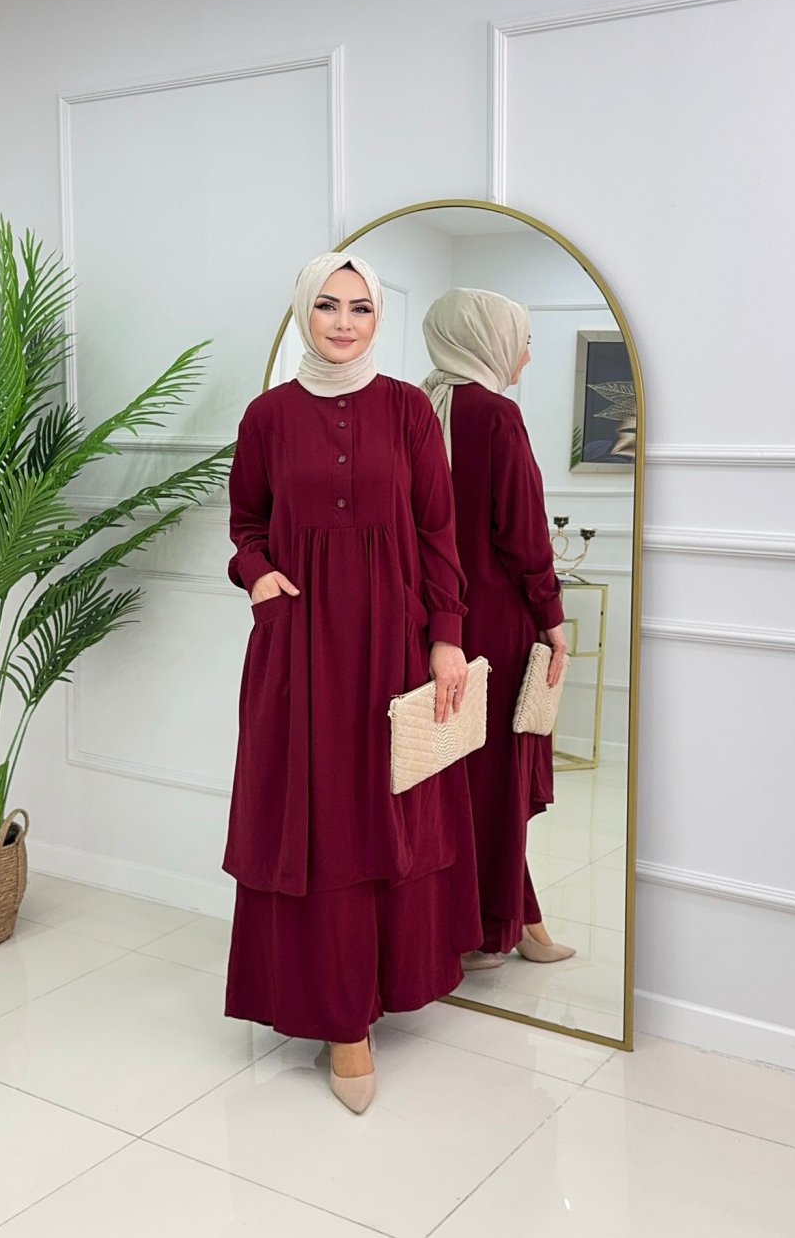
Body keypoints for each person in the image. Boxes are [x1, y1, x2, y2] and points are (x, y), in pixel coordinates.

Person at [224, 253, 481, 1114]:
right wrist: (258, 574)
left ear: (379, 318)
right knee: (319, 818)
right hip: (300, 649)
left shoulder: (409, 411)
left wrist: (447, 637)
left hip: (392, 646)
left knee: (383, 814)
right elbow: (246, 522)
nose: (343, 322)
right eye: (328, 306)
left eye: (360, 307)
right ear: (306, 312)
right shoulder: (267, 416)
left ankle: (385, 982)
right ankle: (342, 1021)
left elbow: (438, 530)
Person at [422, 288, 574, 969]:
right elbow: (523, 534)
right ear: (485, 338)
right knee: (494, 784)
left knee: (448, 780)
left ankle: (507, 917)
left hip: (433, 625)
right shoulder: (496, 415)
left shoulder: (416, 404)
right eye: (523, 340)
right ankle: (490, 928)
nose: (526, 356)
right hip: (497, 628)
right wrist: (552, 617)